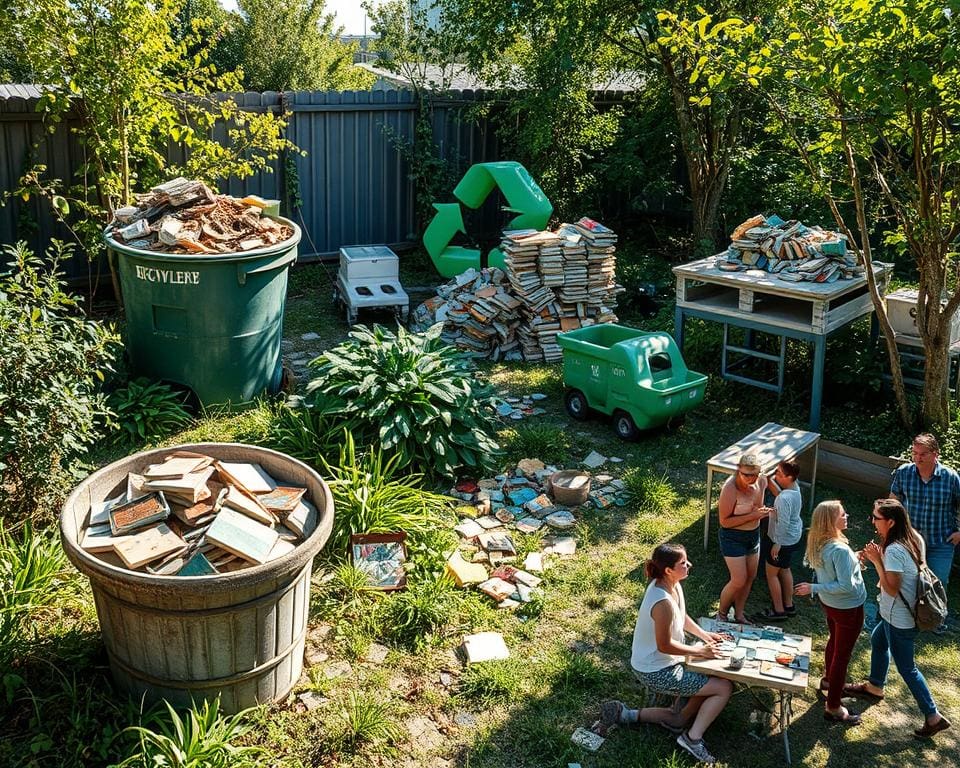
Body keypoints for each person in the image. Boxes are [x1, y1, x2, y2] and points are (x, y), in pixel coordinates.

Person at [598, 542, 733, 765]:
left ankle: (628, 714)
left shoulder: (672, 584)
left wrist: (705, 636)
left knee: (679, 716)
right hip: (656, 670)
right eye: (683, 563)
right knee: (723, 687)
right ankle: (692, 738)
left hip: (665, 661)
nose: (689, 565)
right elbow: (665, 645)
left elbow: (682, 616)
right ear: (669, 570)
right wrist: (700, 651)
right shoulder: (662, 602)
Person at [845, 499, 952, 738]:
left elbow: (892, 587)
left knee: (907, 668)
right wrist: (879, 557)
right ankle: (875, 686)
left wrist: (876, 561)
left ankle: (933, 716)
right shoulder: (914, 538)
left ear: (891, 522)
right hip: (904, 612)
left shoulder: (894, 550)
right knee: (878, 640)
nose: (872, 521)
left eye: (876, 518)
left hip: (900, 617)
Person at [794, 500, 866, 725]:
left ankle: (827, 681)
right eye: (842, 514)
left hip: (831, 605)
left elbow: (832, 572)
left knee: (834, 642)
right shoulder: (839, 549)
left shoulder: (820, 542)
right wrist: (813, 588)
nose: (846, 516)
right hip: (847, 607)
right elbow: (846, 586)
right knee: (842, 656)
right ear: (830, 521)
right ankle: (833, 706)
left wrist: (854, 560)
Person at [890, 433, 960, 631]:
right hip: (910, 540)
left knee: (938, 582)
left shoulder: (950, 477)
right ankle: (911, 618)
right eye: (915, 453)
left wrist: (959, 533)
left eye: (923, 454)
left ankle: (936, 620)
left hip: (941, 540)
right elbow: (894, 501)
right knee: (909, 580)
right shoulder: (904, 472)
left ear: (935, 454)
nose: (918, 458)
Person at [717, 451, 770, 623]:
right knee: (738, 579)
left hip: (753, 535)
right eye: (746, 475)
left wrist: (763, 512)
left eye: (755, 474)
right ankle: (722, 614)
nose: (751, 479)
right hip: (733, 537)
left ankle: (739, 614)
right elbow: (724, 522)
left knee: (750, 578)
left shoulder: (762, 480)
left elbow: (758, 506)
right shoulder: (730, 488)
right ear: (738, 469)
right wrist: (753, 516)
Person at [760, 460, 802, 620]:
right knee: (785, 569)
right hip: (793, 538)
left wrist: (777, 543)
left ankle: (778, 610)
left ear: (789, 477)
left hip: (781, 540)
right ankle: (789, 605)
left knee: (771, 574)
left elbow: (782, 522)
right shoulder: (794, 489)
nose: (776, 475)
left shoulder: (783, 499)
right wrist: (769, 479)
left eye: (779, 474)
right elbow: (780, 495)